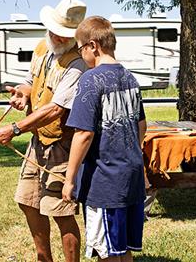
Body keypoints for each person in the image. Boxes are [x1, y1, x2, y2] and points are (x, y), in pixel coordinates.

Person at [0, 0, 87, 261]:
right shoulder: (43, 47)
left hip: (61, 145)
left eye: (65, 35)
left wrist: (15, 129)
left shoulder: (76, 63)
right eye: (56, 31)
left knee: (61, 211)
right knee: (28, 201)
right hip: (38, 142)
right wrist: (23, 93)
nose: (58, 38)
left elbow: (56, 109)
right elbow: (32, 81)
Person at [62, 16, 147, 261]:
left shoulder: (90, 79)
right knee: (124, 249)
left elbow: (84, 134)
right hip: (131, 178)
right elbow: (141, 125)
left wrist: (69, 180)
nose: (80, 55)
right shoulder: (130, 78)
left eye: (80, 49)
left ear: (92, 46)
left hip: (106, 183)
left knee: (107, 252)